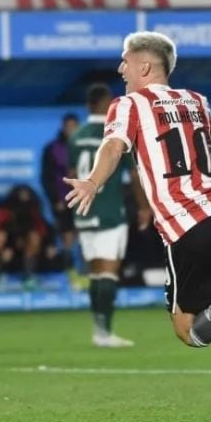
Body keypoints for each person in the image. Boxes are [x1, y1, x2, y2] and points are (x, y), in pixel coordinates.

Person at [63, 31, 211, 422]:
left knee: (190, 330)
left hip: (187, 225)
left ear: (144, 66)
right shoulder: (195, 101)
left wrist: (93, 181)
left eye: (125, 60)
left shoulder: (128, 105)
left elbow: (113, 146)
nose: (120, 68)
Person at [68, 83, 151, 348]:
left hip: (84, 211)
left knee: (95, 272)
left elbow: (72, 172)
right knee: (109, 272)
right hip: (109, 209)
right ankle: (104, 333)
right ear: (105, 104)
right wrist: (144, 207)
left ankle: (98, 328)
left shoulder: (76, 136)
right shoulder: (114, 134)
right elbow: (134, 174)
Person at [40, 113, 82, 282]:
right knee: (67, 237)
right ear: (63, 128)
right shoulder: (52, 149)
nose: (71, 130)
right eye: (68, 127)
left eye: (74, 127)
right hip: (62, 200)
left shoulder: (85, 146)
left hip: (83, 198)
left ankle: (84, 272)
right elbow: (47, 177)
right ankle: (69, 273)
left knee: (83, 235)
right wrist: (54, 200)